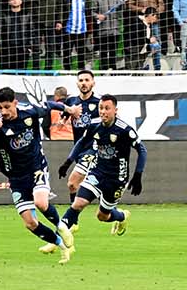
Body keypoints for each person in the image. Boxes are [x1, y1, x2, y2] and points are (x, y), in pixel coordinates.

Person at [0, 86, 76, 262]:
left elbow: (48, 105)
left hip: (36, 167)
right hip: (15, 177)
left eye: (7, 107)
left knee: (40, 202)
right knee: (30, 223)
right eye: (0, 107)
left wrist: (68, 109)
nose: (4, 111)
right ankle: (62, 247)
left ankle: (61, 226)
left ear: (15, 103)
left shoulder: (28, 111)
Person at [59, 94, 146, 236]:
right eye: (101, 108)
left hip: (116, 179)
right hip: (97, 172)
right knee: (78, 203)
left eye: (107, 108)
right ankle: (58, 239)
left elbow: (142, 149)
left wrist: (138, 175)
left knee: (102, 216)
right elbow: (81, 141)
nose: (103, 111)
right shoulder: (94, 125)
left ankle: (122, 216)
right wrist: (68, 162)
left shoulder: (124, 130)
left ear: (115, 110)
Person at [59, 69, 103, 209]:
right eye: (81, 80)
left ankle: (71, 220)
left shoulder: (99, 103)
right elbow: (65, 113)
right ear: (77, 84)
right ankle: (116, 213)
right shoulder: (71, 101)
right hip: (79, 149)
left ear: (93, 83)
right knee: (78, 186)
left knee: (72, 183)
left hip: (94, 149)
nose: (84, 83)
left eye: (87, 80)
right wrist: (63, 119)